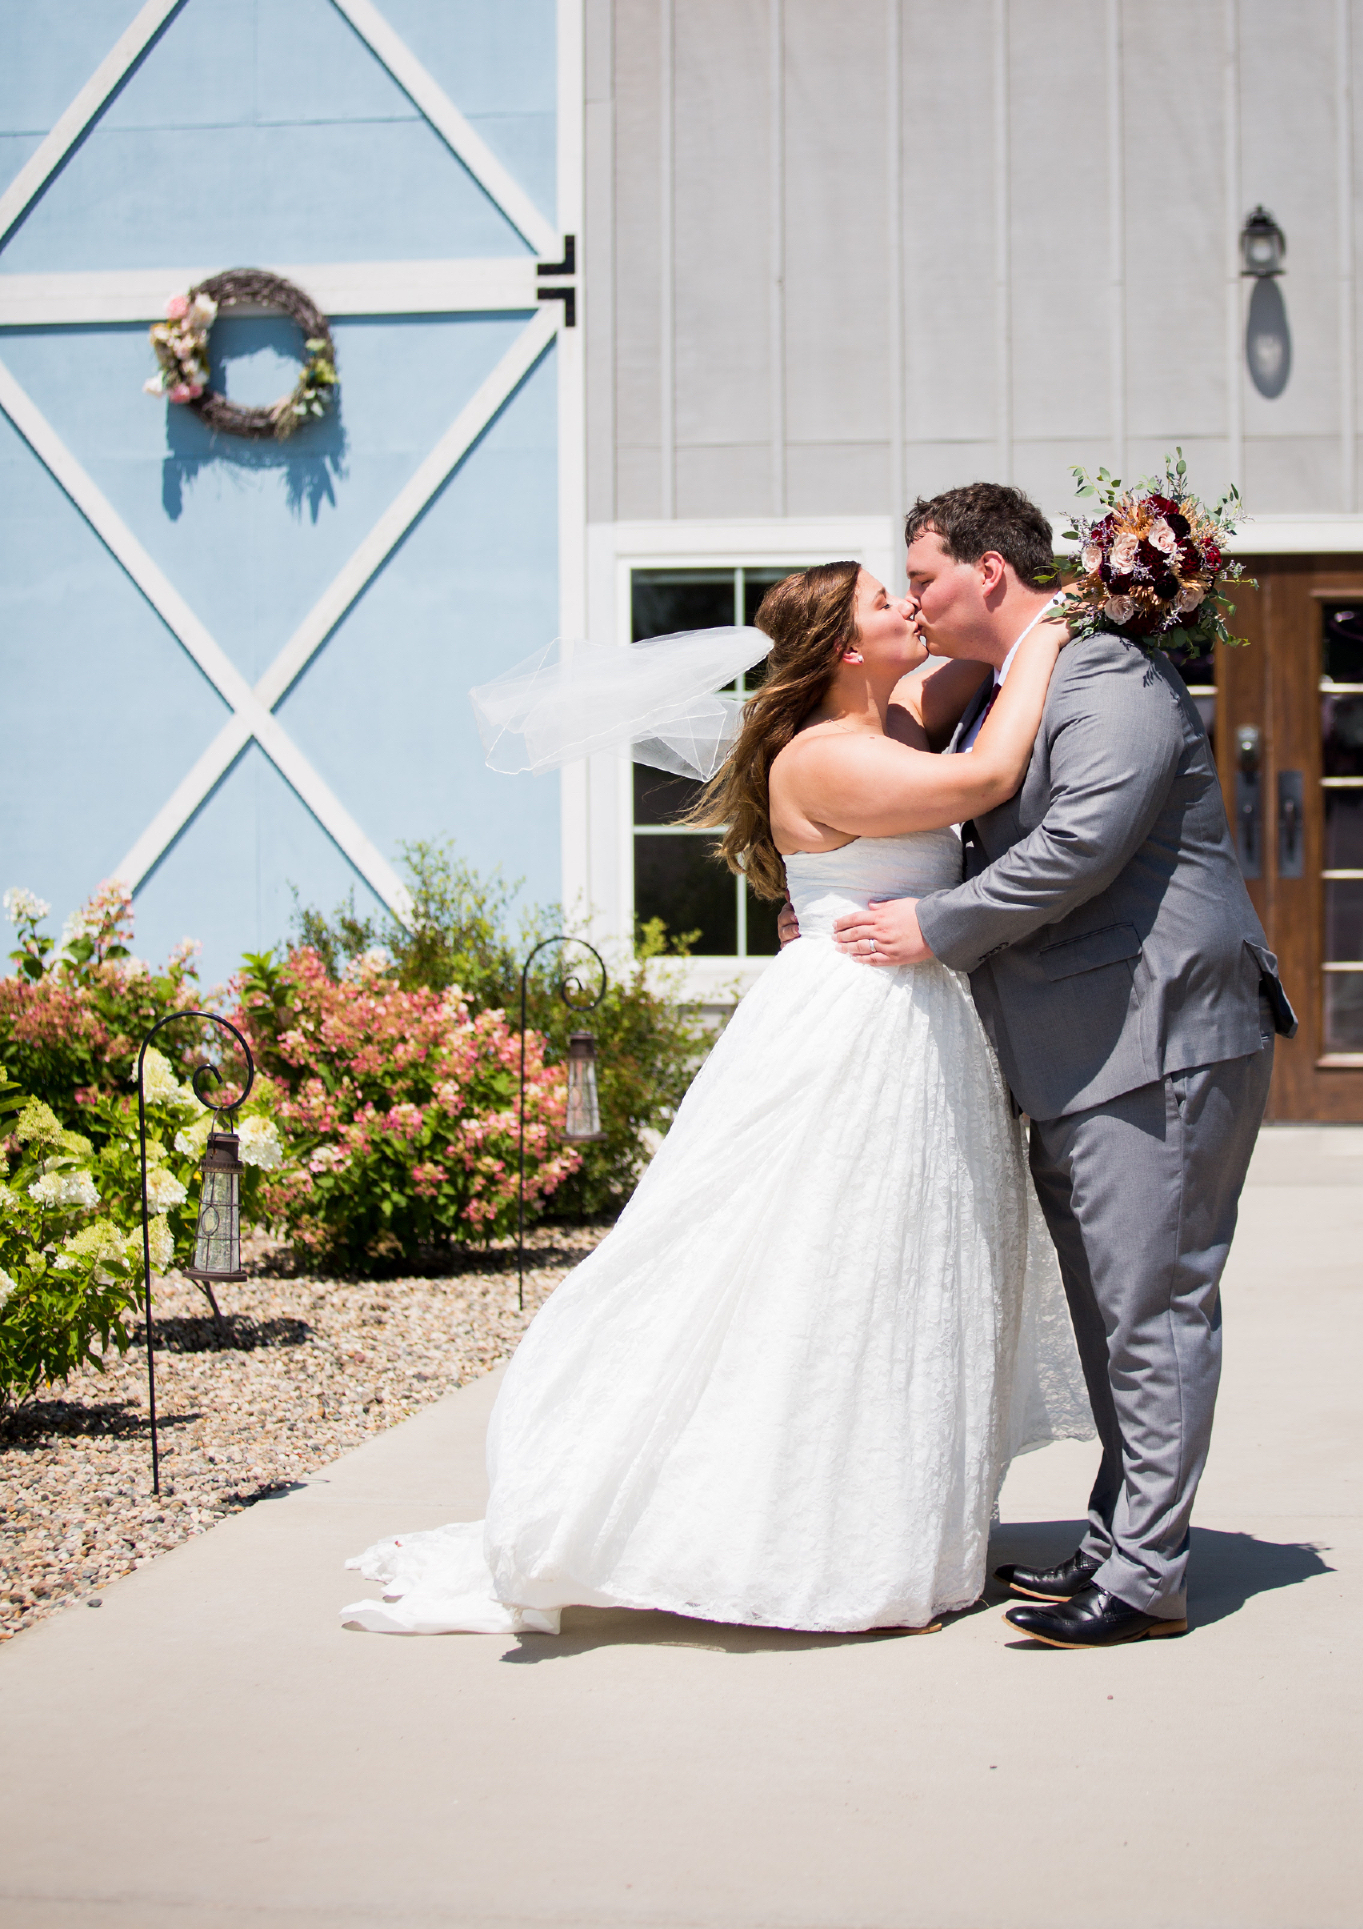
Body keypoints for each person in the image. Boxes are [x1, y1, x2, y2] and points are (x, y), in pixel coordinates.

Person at [343, 563, 1086, 1639]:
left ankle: (897, 1519)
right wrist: (1053, 632)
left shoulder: (889, 720)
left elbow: (960, 690)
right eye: (887, 602)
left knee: (904, 1269)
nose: (907, 610)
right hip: (850, 1028)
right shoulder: (826, 758)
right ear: (841, 646)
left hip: (917, 1026)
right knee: (826, 1267)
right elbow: (990, 777)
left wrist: (1016, 621)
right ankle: (809, 1537)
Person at [834, 482, 1296, 1652]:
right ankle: (1123, 1530)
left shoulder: (1107, 680)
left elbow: (1082, 840)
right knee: (1109, 1314)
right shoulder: (1006, 679)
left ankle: (1146, 1579)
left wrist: (934, 931)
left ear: (991, 571)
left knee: (1153, 1306)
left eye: (926, 576)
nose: (917, 601)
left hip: (1161, 1040)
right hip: (1076, 1051)